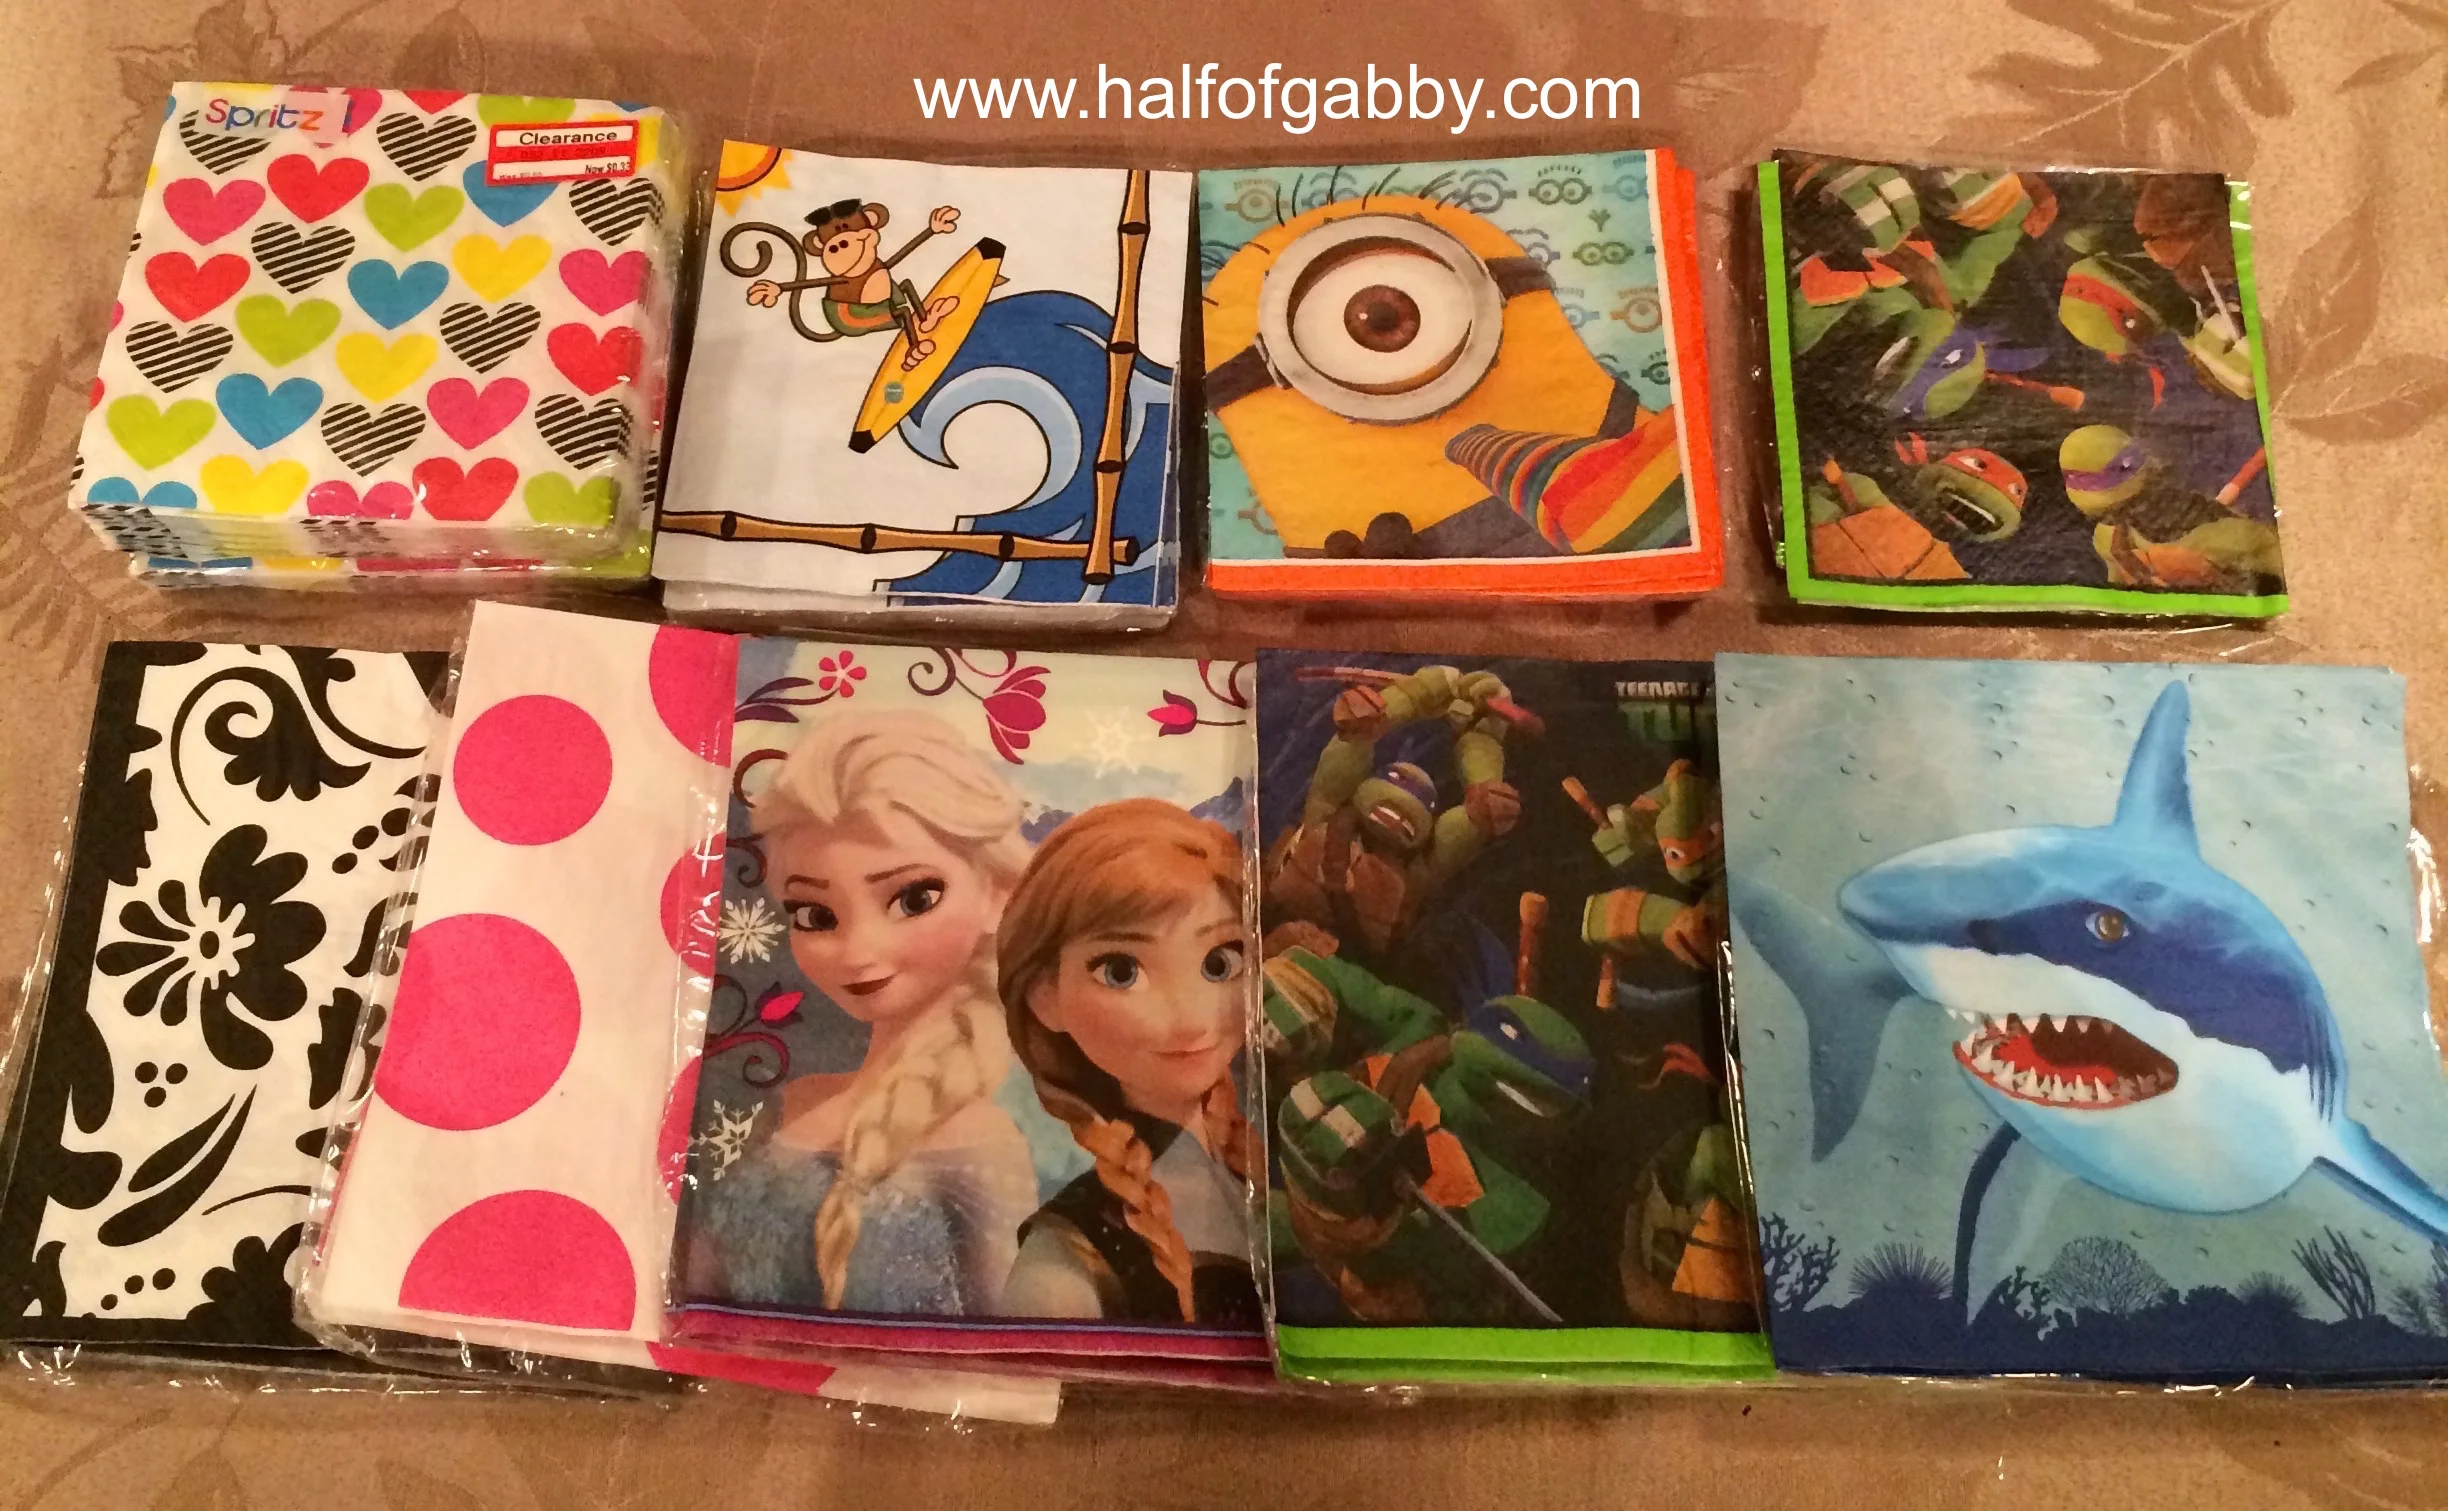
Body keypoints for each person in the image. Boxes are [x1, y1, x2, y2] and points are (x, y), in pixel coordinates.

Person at [686, 710, 1038, 1314]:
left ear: (996, 894)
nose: (858, 951)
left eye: (914, 898)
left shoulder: (984, 1142)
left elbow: (1009, 1341)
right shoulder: (794, 1102)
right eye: (815, 915)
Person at [997, 800, 1264, 1327]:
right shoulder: (1065, 1263)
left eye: (1221, 963)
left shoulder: (1263, 1161)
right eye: (1120, 971)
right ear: (1044, 995)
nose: (1190, 1019)